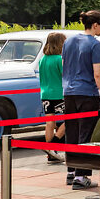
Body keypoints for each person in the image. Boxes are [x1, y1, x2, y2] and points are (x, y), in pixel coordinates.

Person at [62, 11, 100, 189]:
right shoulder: (95, 44)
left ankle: (71, 171)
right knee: (85, 133)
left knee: (71, 131)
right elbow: (98, 73)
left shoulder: (69, 41)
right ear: (95, 25)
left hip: (69, 91)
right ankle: (81, 176)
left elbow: (65, 65)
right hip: (87, 92)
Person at [39, 32, 67, 163]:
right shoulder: (59, 59)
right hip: (59, 94)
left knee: (50, 122)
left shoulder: (43, 59)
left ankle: (51, 154)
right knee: (70, 120)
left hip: (45, 93)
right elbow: (65, 75)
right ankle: (53, 145)